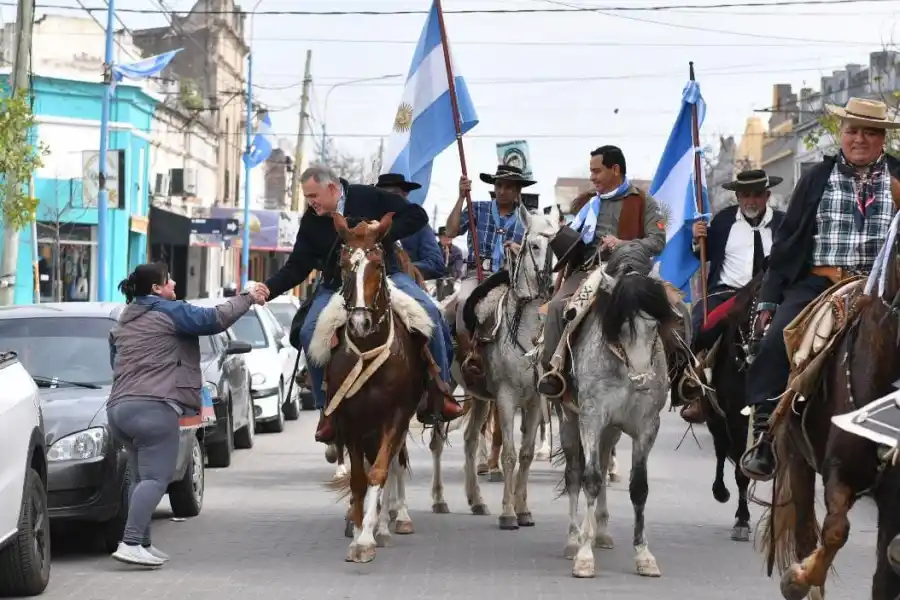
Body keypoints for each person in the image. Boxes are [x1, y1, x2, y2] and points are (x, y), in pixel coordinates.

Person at [741, 97, 900, 482]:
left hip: (884, 287)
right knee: (776, 340)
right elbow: (787, 242)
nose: (859, 139)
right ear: (842, 134)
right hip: (820, 281)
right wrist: (769, 299)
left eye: (869, 132)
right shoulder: (816, 178)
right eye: (852, 131)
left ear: (882, 138)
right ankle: (766, 433)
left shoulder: (899, 175)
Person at [253, 165, 463, 445]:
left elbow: (417, 215)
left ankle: (440, 392)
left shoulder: (369, 197)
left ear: (331, 188)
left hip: (387, 276)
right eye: (307, 197)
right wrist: (269, 288)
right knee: (308, 331)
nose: (310, 202)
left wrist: (383, 232)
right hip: (336, 285)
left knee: (432, 314)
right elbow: (297, 266)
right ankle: (326, 411)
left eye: (313, 195)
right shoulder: (312, 221)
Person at [107, 262, 263, 567]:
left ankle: (142, 543)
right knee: (156, 478)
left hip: (119, 409)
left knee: (141, 479)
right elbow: (214, 318)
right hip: (154, 408)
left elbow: (114, 364)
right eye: (168, 280)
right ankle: (130, 542)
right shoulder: (170, 311)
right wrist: (247, 298)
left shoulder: (124, 319)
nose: (174, 283)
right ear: (156, 289)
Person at [537, 145, 666, 398]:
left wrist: (622, 244)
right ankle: (553, 371)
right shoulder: (588, 203)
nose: (592, 177)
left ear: (615, 169)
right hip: (587, 270)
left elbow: (658, 241)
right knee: (556, 307)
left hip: (630, 270)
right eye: (591, 172)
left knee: (675, 309)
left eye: (597, 171)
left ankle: (684, 371)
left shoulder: (644, 202)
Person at [680, 169, 785, 424]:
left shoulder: (784, 223)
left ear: (767, 195)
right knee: (700, 325)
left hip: (771, 295)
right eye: (745, 195)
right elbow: (704, 254)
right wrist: (697, 238)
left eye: (757, 194)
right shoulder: (724, 221)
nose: (751, 200)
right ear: (737, 197)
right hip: (729, 293)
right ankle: (696, 388)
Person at [443, 164, 533, 396]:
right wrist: (461, 197)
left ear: (518, 191)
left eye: (509, 187)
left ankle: (531, 365)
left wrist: (519, 249)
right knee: (462, 304)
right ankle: (469, 356)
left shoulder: (526, 219)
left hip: (508, 279)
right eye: (498, 185)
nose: (502, 191)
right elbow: (450, 231)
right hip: (477, 275)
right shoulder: (477, 208)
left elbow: (534, 254)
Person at [374, 173, 446, 280]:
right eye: (383, 195)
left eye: (394, 194)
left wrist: (405, 268)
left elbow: (436, 264)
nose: (389, 200)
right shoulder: (369, 225)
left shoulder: (418, 226)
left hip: (406, 284)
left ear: (405, 194)